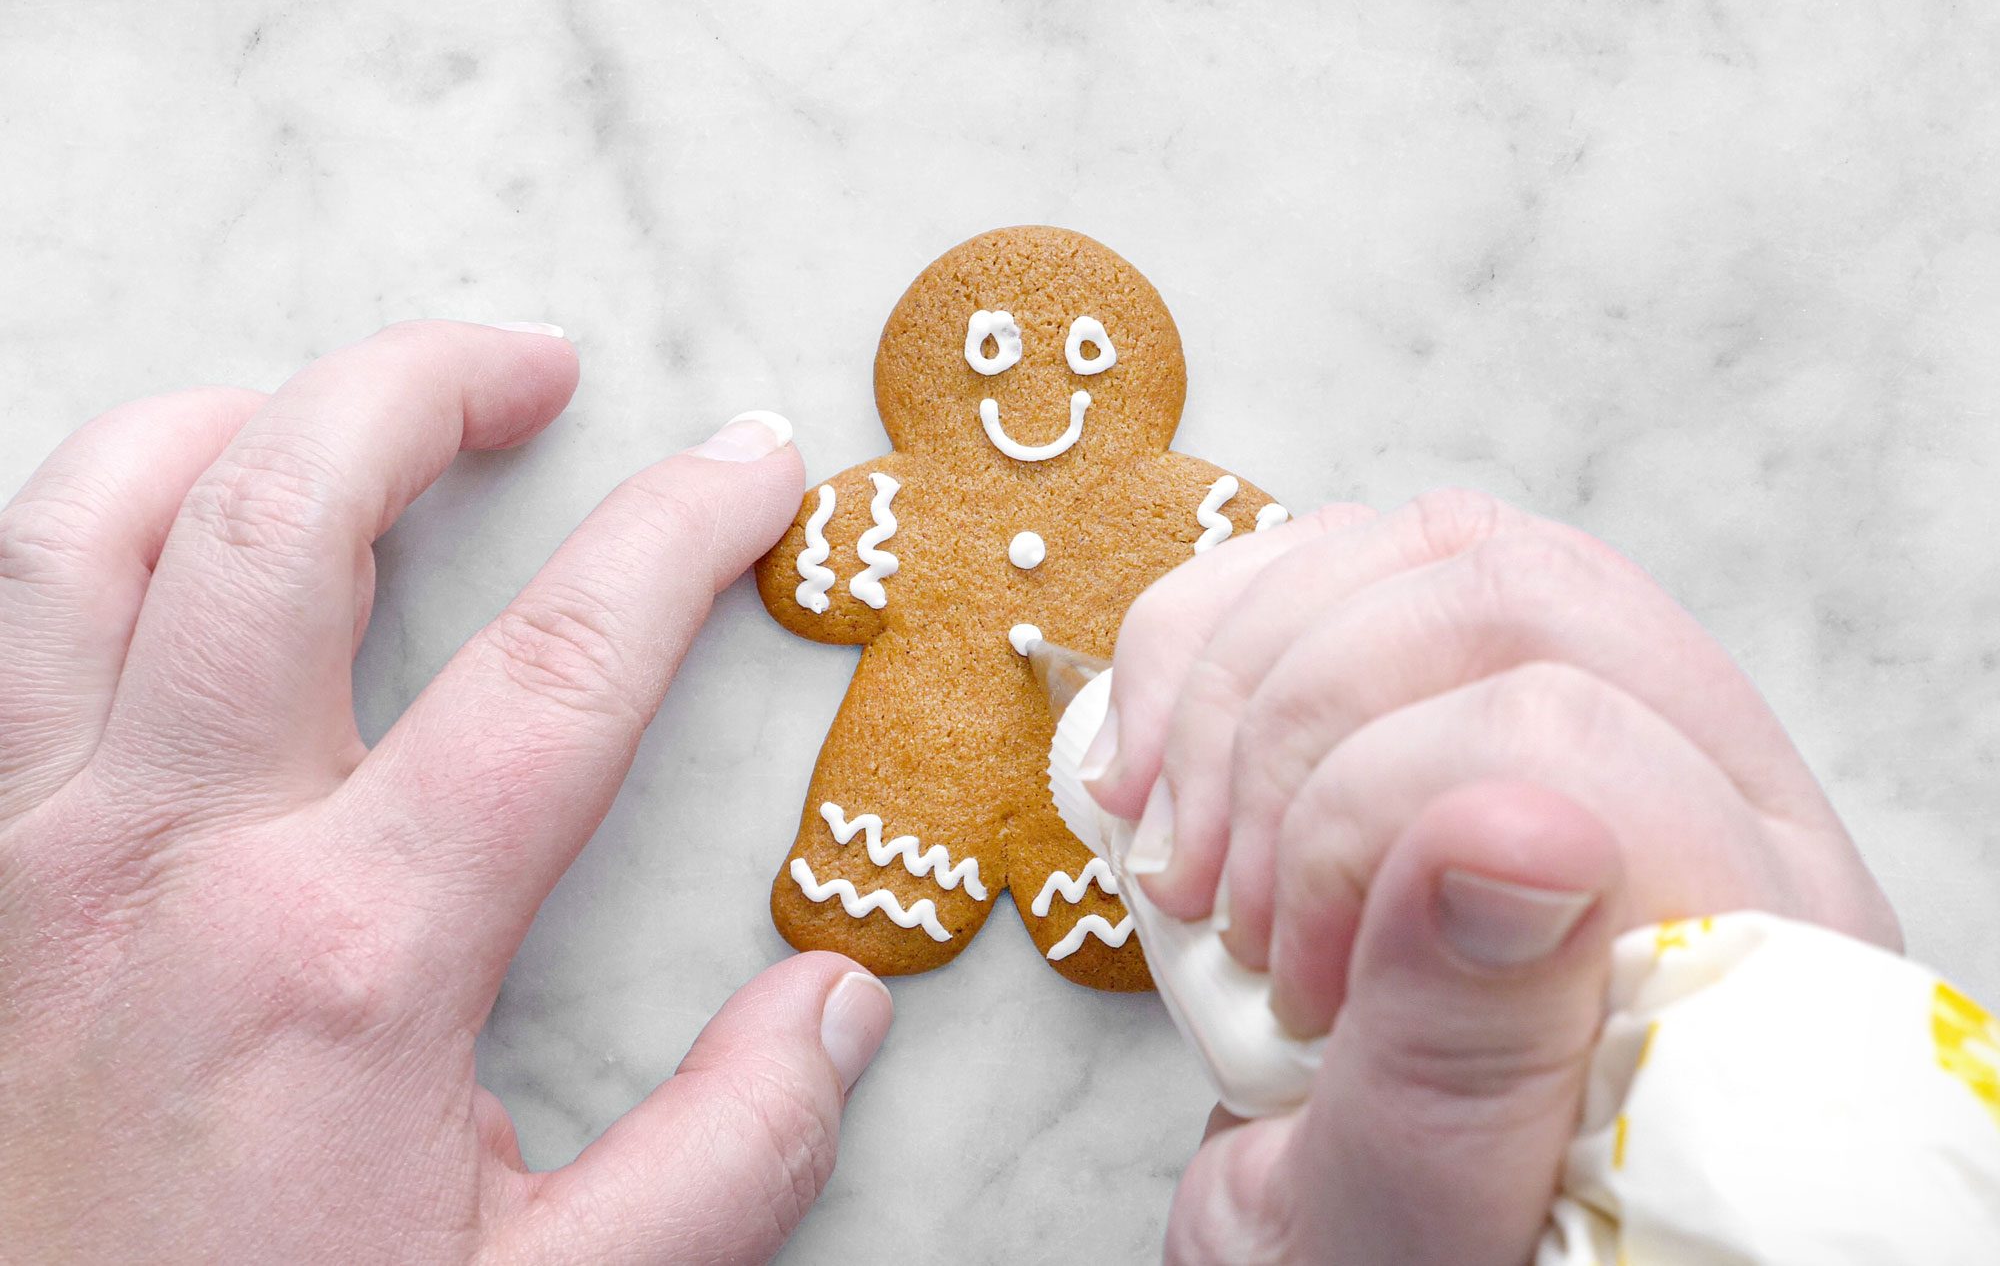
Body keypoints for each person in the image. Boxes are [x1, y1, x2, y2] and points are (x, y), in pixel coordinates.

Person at [0, 324, 1897, 1264]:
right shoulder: (922, 508)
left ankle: (1101, 890)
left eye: (1075, 357)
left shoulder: (1157, 514)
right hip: (926, 784)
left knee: (1137, 869)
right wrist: (1834, 1119)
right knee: (944, 848)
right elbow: (830, 559)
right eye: (997, 353)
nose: (1037, 382)